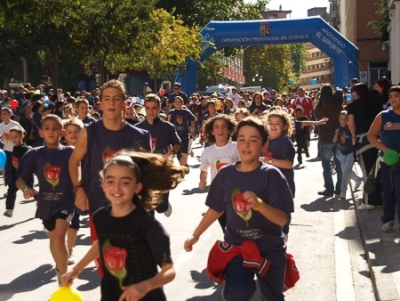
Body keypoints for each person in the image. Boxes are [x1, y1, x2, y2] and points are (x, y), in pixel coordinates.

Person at [184, 117, 294, 301]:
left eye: (253, 140)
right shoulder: (226, 174)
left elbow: (282, 219)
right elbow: (216, 208)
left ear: (264, 145)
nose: (246, 145)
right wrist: (196, 235)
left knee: (272, 298)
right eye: (242, 139)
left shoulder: (272, 175)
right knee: (235, 294)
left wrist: (260, 205)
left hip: (269, 247)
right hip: (237, 246)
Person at [62, 151, 186, 300]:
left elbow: (169, 270)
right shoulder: (101, 217)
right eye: (110, 181)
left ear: (137, 187)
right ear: (103, 185)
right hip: (111, 295)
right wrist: (76, 269)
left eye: (125, 182)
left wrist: (145, 286)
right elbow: (103, 242)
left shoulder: (148, 226)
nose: (117, 188)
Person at [68, 80, 151, 274]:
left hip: (131, 210)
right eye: (107, 99)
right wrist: (78, 189)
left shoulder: (141, 135)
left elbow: (146, 174)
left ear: (124, 103)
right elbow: (73, 162)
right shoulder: (89, 132)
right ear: (101, 104)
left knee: (131, 267)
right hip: (99, 208)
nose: (111, 103)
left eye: (116, 98)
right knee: (107, 268)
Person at [16, 114, 75, 284]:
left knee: (59, 238)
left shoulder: (70, 152)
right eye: (47, 128)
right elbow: (20, 179)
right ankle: (59, 268)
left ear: (61, 132)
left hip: (66, 202)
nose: (51, 132)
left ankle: (64, 280)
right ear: (40, 133)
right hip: (45, 204)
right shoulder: (34, 154)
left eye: (55, 128)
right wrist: (26, 188)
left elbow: (84, 172)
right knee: (53, 240)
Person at [135, 93, 181, 217]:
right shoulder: (137, 128)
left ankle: (164, 206)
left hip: (163, 170)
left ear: (159, 108)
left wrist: (173, 152)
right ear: (144, 108)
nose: (151, 111)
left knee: (161, 206)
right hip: (145, 172)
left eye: (154, 108)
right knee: (147, 207)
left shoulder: (168, 127)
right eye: (148, 108)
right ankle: (150, 232)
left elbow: (177, 143)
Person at [367, 85, 400, 233]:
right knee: (388, 190)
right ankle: (388, 219)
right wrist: (386, 150)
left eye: (396, 96)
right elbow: (371, 136)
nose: (393, 99)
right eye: (391, 96)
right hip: (388, 160)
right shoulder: (384, 115)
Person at [199, 115, 239, 231]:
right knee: (226, 230)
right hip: (218, 195)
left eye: (223, 127)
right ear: (212, 131)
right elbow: (204, 170)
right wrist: (202, 180)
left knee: (239, 229)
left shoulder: (236, 147)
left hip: (236, 192)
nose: (220, 130)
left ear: (229, 129)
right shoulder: (207, 152)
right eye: (216, 127)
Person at [347, 84, 383, 208]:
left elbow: (351, 124)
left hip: (363, 140)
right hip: (379, 140)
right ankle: (379, 200)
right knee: (378, 171)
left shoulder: (352, 106)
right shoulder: (375, 103)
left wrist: (353, 136)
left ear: (356, 93)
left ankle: (369, 201)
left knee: (367, 171)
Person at [314, 84, 343, 197]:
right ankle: (339, 188)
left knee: (326, 166)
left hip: (325, 138)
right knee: (339, 165)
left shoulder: (320, 107)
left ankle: (329, 189)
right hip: (339, 138)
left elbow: (316, 116)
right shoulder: (338, 105)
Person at [62, 118, 84, 264]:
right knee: (60, 221)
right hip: (62, 191)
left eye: (76, 131)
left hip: (79, 190)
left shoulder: (88, 150)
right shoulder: (60, 151)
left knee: (74, 220)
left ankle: (69, 249)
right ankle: (60, 245)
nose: (73, 135)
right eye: (69, 132)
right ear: (65, 135)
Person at [333, 111, 362, 200]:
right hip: (342, 152)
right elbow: (334, 141)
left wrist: (353, 134)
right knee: (346, 171)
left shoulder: (350, 127)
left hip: (350, 152)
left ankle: (343, 192)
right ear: (339, 120)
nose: (343, 121)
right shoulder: (338, 129)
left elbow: (354, 139)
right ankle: (358, 179)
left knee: (345, 172)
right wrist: (337, 134)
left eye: (345, 119)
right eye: (341, 119)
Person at [3, 127, 32, 217]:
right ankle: (9, 209)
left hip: (25, 176)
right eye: (11, 137)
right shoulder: (13, 149)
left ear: (22, 136)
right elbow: (12, 163)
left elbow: (30, 163)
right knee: (11, 190)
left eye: (16, 137)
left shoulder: (25, 149)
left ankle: (41, 204)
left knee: (30, 192)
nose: (13, 139)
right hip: (15, 175)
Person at [0, 107, 26, 192]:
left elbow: (23, 133)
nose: (3, 116)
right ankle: (9, 187)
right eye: (2, 114)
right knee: (7, 169)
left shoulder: (15, 124)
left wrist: (18, 142)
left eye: (5, 114)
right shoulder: (1, 126)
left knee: (17, 168)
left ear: (10, 115)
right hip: (6, 150)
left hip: (16, 149)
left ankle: (21, 184)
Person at [167, 96, 195, 169]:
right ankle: (182, 164)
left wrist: (191, 126)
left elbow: (193, 119)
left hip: (185, 135)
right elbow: (168, 123)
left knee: (184, 150)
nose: (177, 103)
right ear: (173, 103)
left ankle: (184, 164)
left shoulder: (185, 111)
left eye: (179, 102)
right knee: (178, 152)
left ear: (182, 103)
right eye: (176, 102)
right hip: (175, 136)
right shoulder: (171, 112)